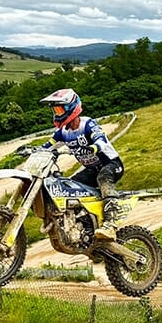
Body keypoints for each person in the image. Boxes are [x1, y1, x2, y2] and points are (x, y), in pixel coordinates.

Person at [39, 88, 124, 240]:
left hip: (111, 165)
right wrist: (33, 151)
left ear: (72, 107)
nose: (57, 114)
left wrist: (93, 147)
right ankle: (86, 230)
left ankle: (111, 223)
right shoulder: (62, 132)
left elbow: (101, 139)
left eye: (59, 109)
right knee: (70, 186)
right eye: (55, 110)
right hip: (92, 169)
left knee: (103, 178)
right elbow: (48, 146)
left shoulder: (87, 124)